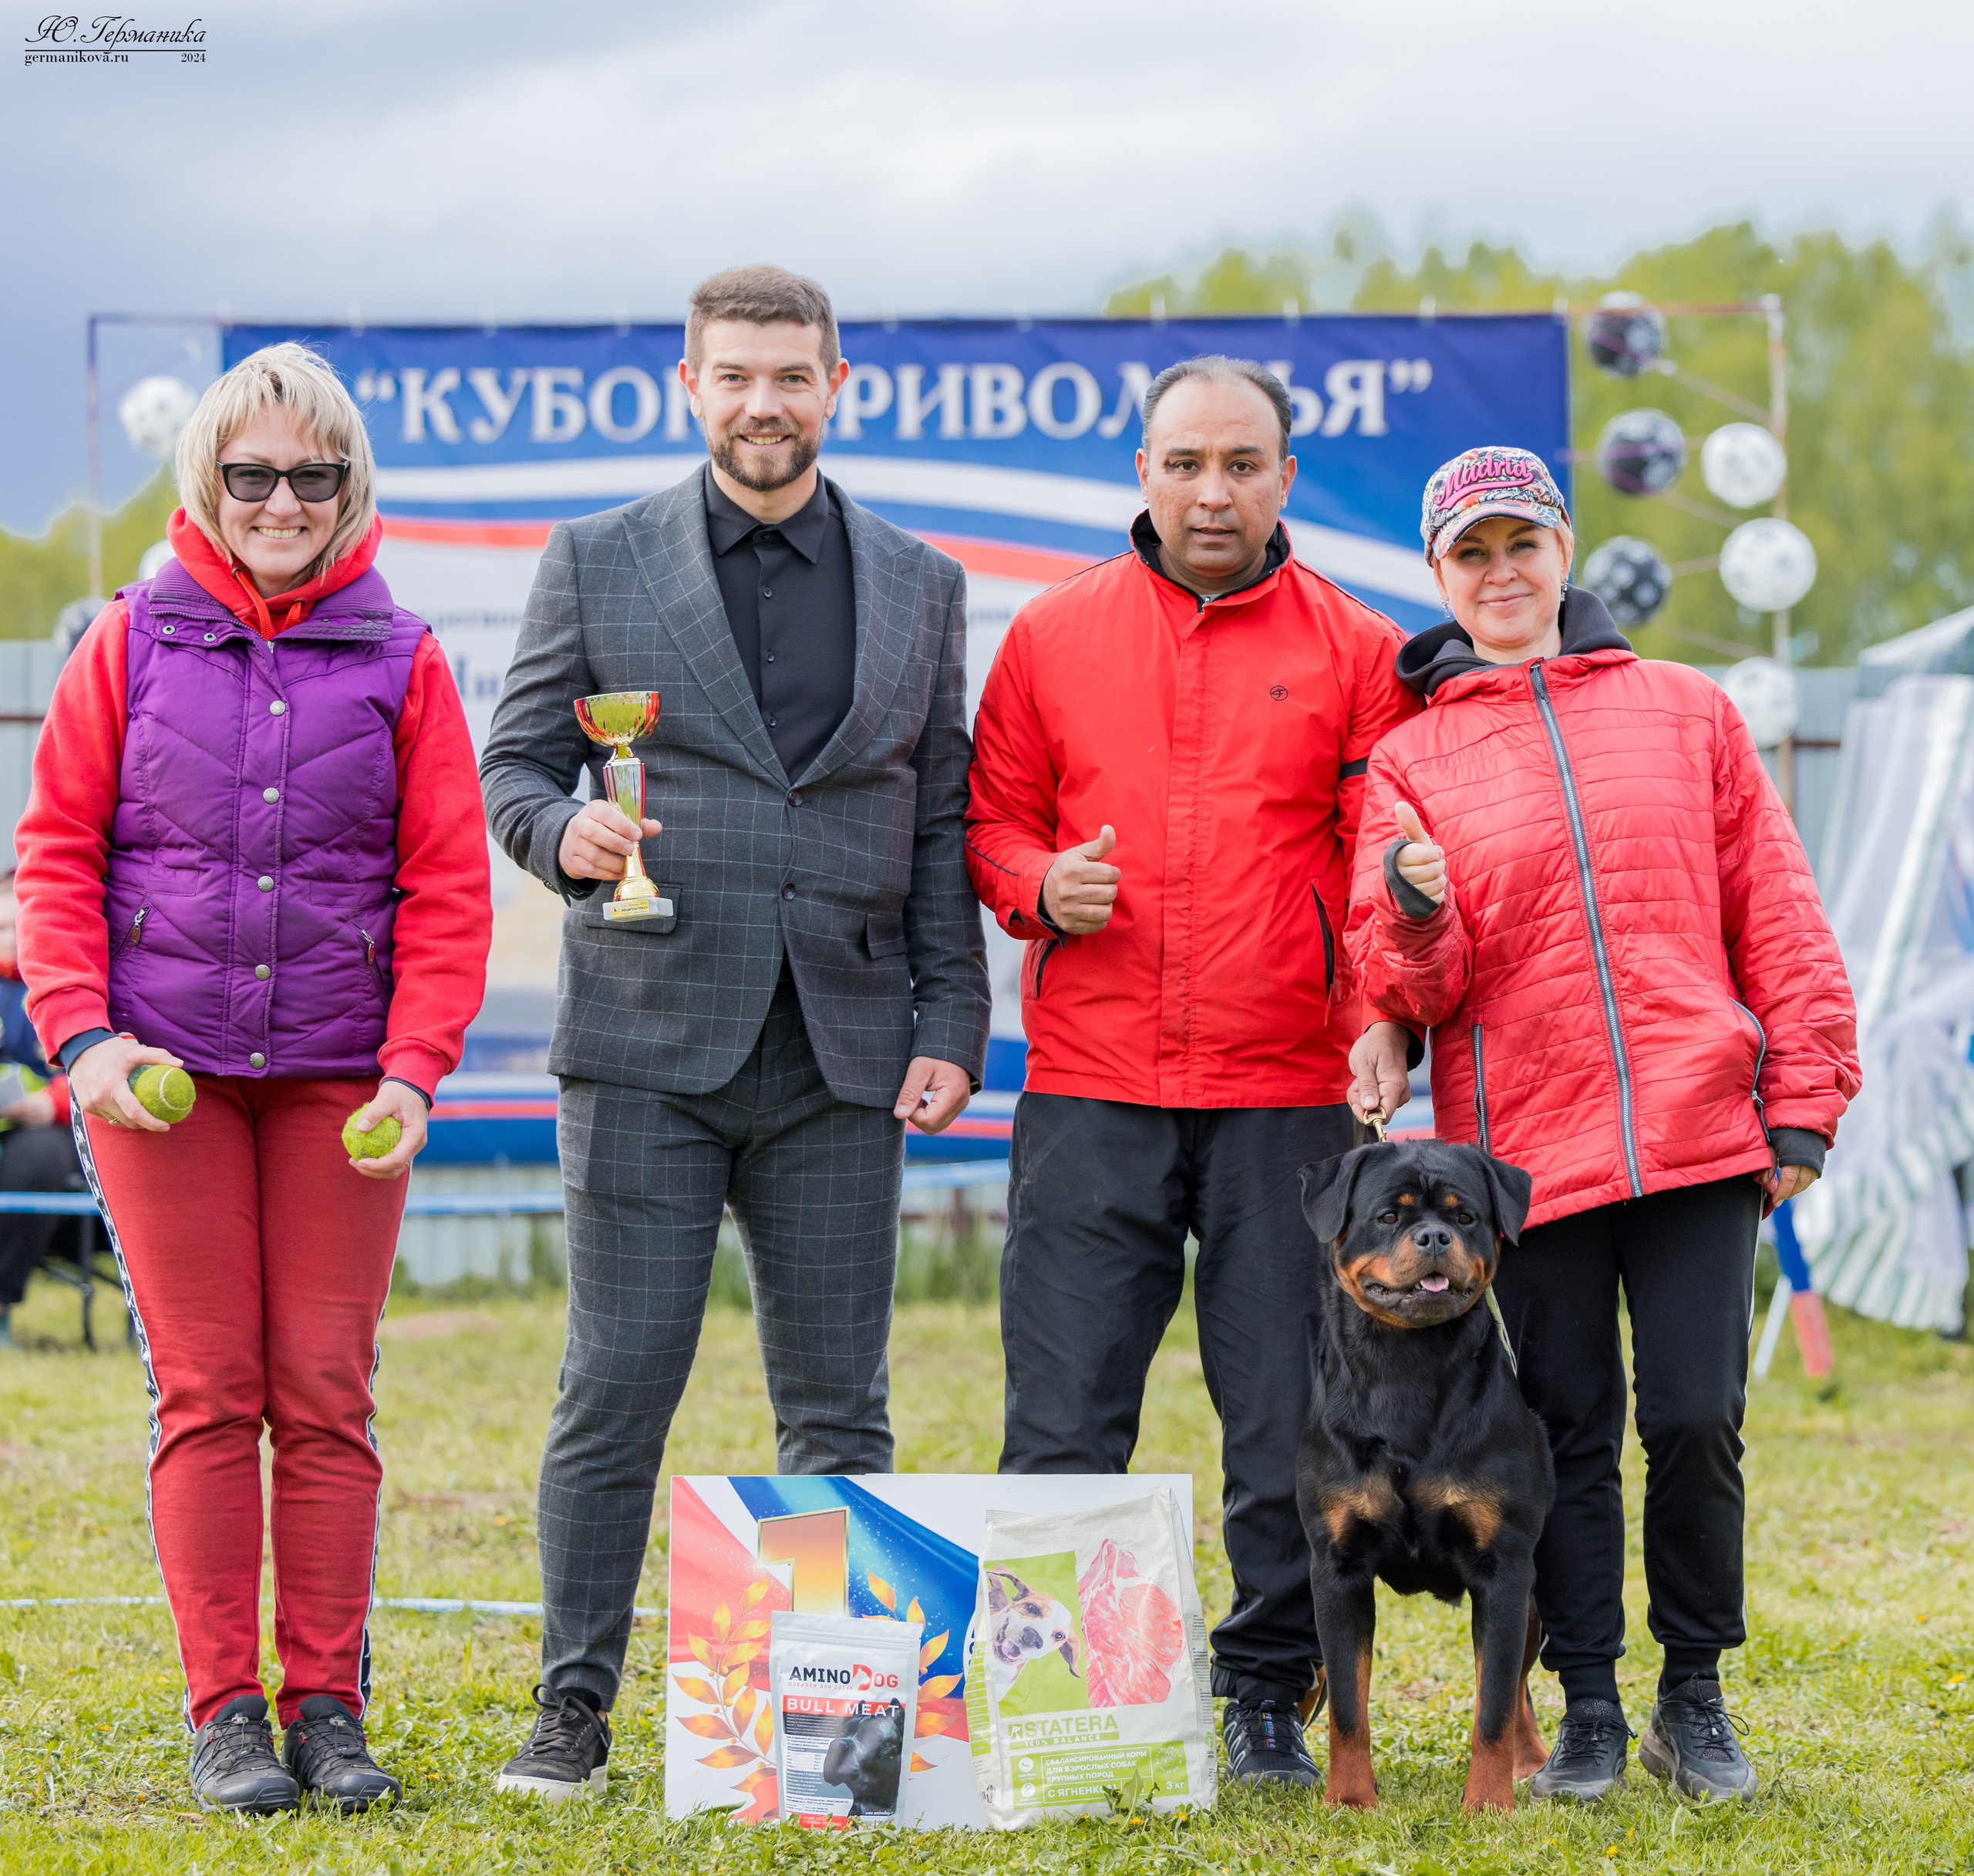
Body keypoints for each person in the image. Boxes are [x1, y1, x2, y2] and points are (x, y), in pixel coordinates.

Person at [479, 264, 990, 1800]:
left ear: (838, 385)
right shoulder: (595, 558)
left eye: (791, 375)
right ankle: (570, 1710)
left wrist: (951, 1015)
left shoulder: (920, 580)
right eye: (735, 375)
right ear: (686, 387)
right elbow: (513, 762)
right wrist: (562, 830)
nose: (763, 401)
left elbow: (939, 816)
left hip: (840, 1053)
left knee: (837, 1403)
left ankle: (835, 1735)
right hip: (645, 1039)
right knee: (616, 1380)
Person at [14, 342, 490, 1814]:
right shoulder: (126, 638)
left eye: (312, 473)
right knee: (212, 1393)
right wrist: (85, 1040)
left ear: (351, 487)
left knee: (327, 1397)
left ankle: (329, 1709)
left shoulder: (406, 657)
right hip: (164, 1076)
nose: (282, 500)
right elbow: (51, 861)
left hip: (344, 1081)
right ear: (206, 482)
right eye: (252, 473)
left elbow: (449, 888)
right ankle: (227, 1712)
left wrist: (415, 1070)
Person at [1346, 446, 1859, 1804]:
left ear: (1567, 546)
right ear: (1440, 575)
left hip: (1699, 1129)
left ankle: (1696, 1692)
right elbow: (1410, 986)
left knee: (1696, 1415)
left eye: (1523, 542)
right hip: (1532, 1155)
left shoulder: (1688, 711)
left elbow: (1781, 915)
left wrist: (1800, 1097)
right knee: (1567, 1428)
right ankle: (1584, 1701)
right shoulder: (1408, 758)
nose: (1502, 571)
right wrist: (1409, 901)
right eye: (1473, 553)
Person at [964, 355, 1420, 1787]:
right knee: (1062, 1409)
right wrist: (1044, 887)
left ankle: (1267, 1693)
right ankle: (1055, 1702)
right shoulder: (1048, 636)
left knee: (1289, 1414)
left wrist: (1377, 1017)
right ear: (1141, 472)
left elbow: (1378, 880)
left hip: (1287, 1092)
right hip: (1092, 1081)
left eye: (1241, 463)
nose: (1210, 490)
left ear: (1288, 476)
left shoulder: (1360, 651)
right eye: (1184, 463)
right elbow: (988, 827)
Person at [0, 871, 83, 1346]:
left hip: (50, 1130)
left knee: (39, 1158)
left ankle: (2, 1302)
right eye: (2, 928)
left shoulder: (68, 983)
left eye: (20, 926)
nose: (12, 939)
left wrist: (48, 1105)